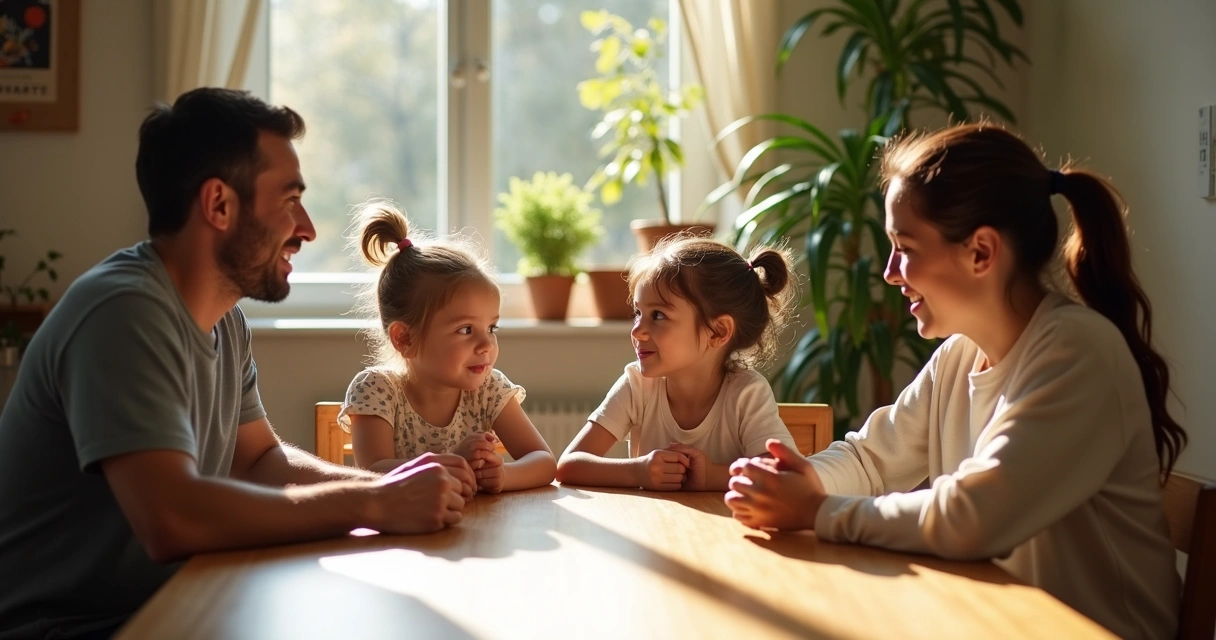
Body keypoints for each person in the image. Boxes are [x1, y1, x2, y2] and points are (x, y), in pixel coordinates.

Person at [0, 88, 475, 639]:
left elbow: (258, 461)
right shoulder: (122, 312)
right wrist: (374, 501)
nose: (307, 228)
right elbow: (172, 519)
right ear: (219, 205)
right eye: (288, 200)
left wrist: (391, 482)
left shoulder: (225, 319)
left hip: (174, 600)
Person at [725, 123, 1186, 639]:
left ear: (981, 252)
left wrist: (817, 510)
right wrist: (803, 481)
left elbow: (973, 519)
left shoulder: (1077, 351)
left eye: (905, 247)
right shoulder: (960, 355)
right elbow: (871, 459)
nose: (890, 272)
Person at [339, 201, 556, 494]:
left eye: (491, 328)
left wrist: (505, 475)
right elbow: (371, 475)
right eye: (466, 330)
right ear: (404, 339)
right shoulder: (377, 391)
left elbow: (544, 461)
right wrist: (451, 463)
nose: (486, 344)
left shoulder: (488, 390)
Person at [556, 236, 798, 491]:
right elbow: (569, 466)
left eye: (658, 315)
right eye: (638, 313)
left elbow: (785, 476)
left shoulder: (747, 393)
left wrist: (712, 476)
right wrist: (638, 471)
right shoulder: (637, 385)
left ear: (718, 332)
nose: (637, 331)